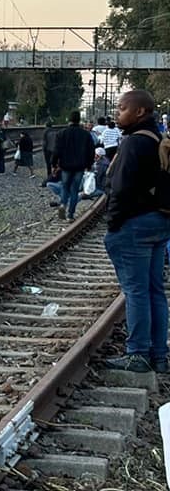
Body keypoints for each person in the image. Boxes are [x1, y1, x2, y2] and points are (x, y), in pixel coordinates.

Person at [102, 89, 170, 373]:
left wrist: (113, 226)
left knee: (136, 291)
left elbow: (120, 189)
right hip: (159, 223)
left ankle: (137, 354)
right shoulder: (158, 140)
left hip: (134, 225)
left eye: (122, 108)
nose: (118, 113)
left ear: (139, 111)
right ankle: (159, 355)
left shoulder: (133, 143)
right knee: (155, 290)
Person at [51, 111, 96, 221]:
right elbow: (91, 151)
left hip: (65, 166)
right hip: (79, 167)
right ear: (79, 120)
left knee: (65, 187)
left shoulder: (62, 133)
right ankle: (70, 215)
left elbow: (56, 151)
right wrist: (89, 165)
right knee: (74, 190)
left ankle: (63, 204)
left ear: (69, 120)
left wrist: (54, 165)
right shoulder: (86, 134)